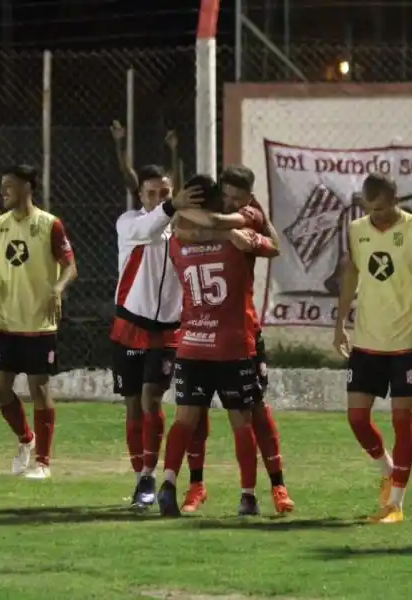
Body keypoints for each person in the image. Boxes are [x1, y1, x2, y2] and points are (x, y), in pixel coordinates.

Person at [169, 165, 295, 515]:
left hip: (244, 333)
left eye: (237, 199)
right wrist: (192, 213)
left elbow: (273, 247)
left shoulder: (247, 216)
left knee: (254, 411)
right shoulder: (214, 220)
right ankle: (196, 486)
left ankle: (277, 486)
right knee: (195, 412)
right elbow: (186, 226)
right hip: (203, 335)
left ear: (249, 198)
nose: (231, 203)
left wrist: (250, 229)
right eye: (226, 196)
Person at [333, 172, 412, 524]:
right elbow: (351, 275)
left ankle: (395, 503)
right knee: (356, 418)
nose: (376, 215)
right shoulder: (357, 231)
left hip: (406, 341)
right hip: (367, 340)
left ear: (395, 199)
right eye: (370, 209)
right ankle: (387, 469)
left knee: (402, 419)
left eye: (382, 208)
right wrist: (340, 323)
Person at [0, 164, 77, 480]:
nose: (3, 190)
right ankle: (26, 439)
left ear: (27, 187)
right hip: (5, 320)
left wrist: (58, 288)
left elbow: (71, 266)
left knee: (39, 388)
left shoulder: (50, 225)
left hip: (39, 321)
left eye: (9, 185)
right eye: (2, 184)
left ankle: (44, 463)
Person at [111, 164, 202, 509]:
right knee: (133, 403)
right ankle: (139, 478)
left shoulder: (182, 229)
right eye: (151, 193)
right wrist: (170, 207)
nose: (158, 199)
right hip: (129, 325)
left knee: (152, 398)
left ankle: (150, 472)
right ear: (140, 196)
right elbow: (150, 229)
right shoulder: (130, 223)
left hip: (167, 329)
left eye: (164, 193)